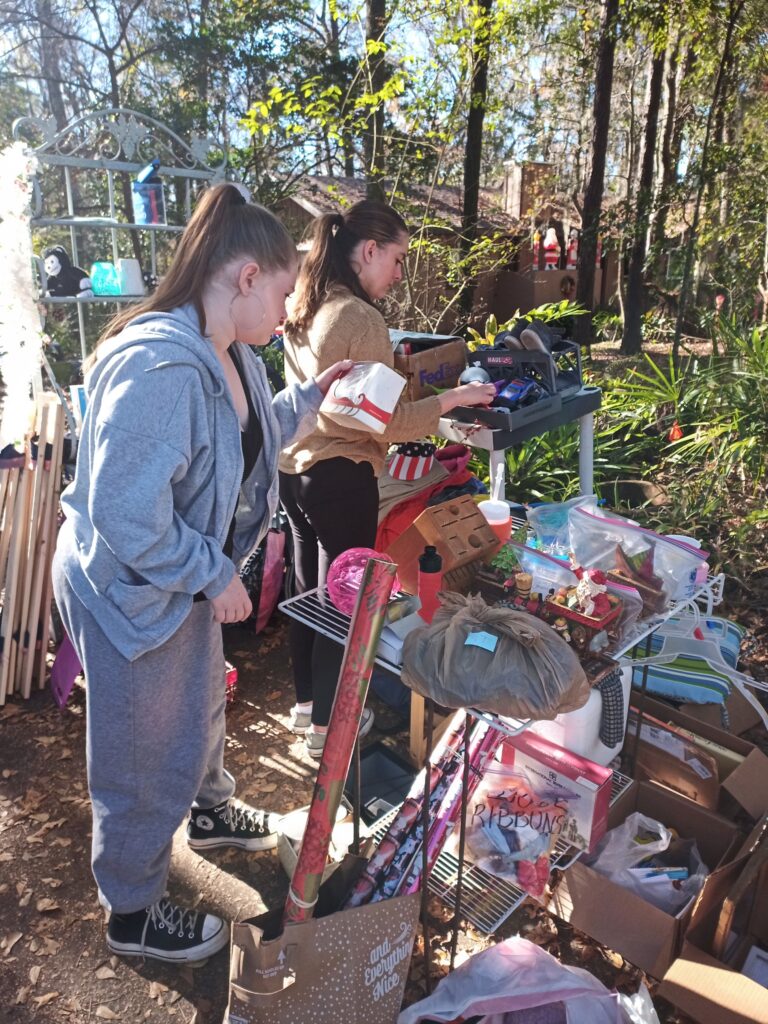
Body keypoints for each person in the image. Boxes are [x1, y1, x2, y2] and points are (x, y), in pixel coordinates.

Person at [52, 184, 351, 965]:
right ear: (246, 277)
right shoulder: (160, 368)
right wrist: (212, 572)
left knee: (201, 700)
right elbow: (125, 512)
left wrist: (312, 397)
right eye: (283, 292)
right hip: (127, 592)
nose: (288, 311)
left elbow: (246, 440)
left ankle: (210, 810)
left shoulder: (232, 353)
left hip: (176, 580)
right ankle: (132, 911)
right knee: (140, 753)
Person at [278, 200, 497, 759]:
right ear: (369, 250)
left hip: (295, 470)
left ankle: (307, 707)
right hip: (341, 474)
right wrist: (455, 398)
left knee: (307, 592)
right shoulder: (360, 317)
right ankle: (330, 729)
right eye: (397, 259)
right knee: (342, 601)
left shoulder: (306, 302)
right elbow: (389, 422)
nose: (400, 274)